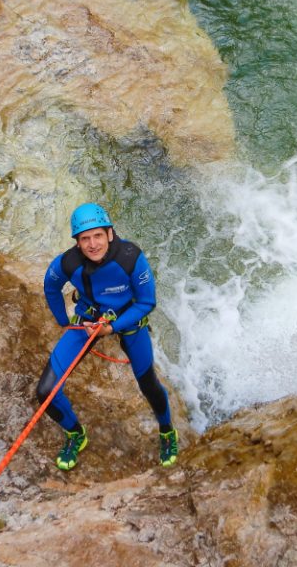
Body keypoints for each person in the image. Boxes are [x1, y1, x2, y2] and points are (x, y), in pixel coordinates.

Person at [37, 202, 178, 471]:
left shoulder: (131, 258)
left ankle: (167, 431)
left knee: (148, 383)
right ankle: (76, 435)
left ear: (110, 233)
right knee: (45, 392)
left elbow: (147, 302)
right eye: (85, 239)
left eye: (98, 235)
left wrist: (111, 328)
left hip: (127, 323)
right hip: (88, 320)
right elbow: (50, 286)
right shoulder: (68, 263)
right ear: (77, 242)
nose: (92, 244)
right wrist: (63, 322)